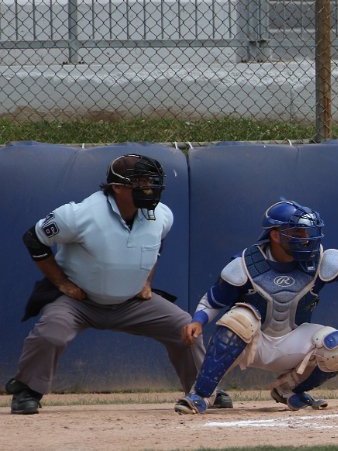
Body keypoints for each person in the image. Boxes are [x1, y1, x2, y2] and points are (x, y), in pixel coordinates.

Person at [174, 199, 338, 414]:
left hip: (290, 340)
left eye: (308, 232)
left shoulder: (320, 260)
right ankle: (202, 395)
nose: (307, 239)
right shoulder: (245, 264)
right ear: (275, 235)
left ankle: (289, 390)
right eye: (298, 233)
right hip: (250, 343)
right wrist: (198, 320)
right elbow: (213, 300)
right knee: (240, 318)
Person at [4, 154, 222, 415]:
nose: (149, 189)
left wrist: (147, 281)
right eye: (140, 182)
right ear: (117, 187)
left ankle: (203, 390)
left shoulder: (161, 214)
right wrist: (61, 282)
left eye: (151, 182)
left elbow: (157, 243)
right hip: (79, 301)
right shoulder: (79, 214)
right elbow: (34, 238)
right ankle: (27, 390)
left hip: (132, 302)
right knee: (51, 333)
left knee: (184, 326)